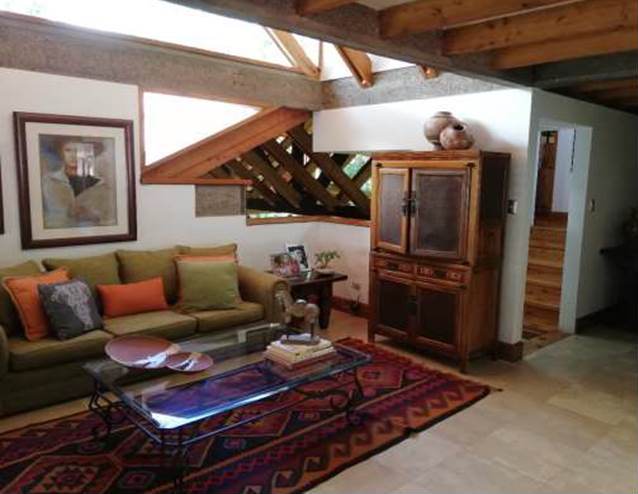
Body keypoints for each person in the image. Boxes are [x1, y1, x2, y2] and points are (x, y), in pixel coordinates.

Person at [40, 136, 116, 229]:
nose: (73, 155)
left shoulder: (102, 186)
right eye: (68, 150)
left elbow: (109, 220)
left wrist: (93, 216)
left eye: (78, 151)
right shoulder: (48, 181)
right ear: (61, 153)